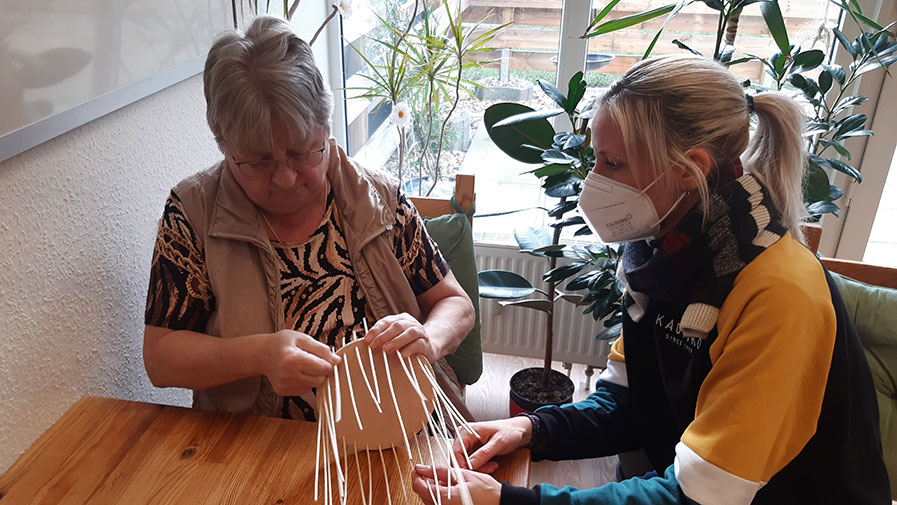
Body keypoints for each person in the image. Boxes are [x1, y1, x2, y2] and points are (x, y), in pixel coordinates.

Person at [411, 54, 890, 504]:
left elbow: (699, 494)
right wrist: (533, 430)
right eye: (597, 159)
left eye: (613, 164)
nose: (593, 181)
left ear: (691, 170)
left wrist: (510, 499)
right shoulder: (658, 256)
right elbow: (628, 401)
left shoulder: (778, 294)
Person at [142, 15, 475, 421]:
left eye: (302, 152)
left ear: (325, 126)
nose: (284, 179)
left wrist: (429, 336)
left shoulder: (379, 197)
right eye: (257, 161)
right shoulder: (193, 212)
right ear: (225, 146)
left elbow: (455, 304)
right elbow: (160, 357)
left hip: (394, 423)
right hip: (258, 442)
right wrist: (260, 355)